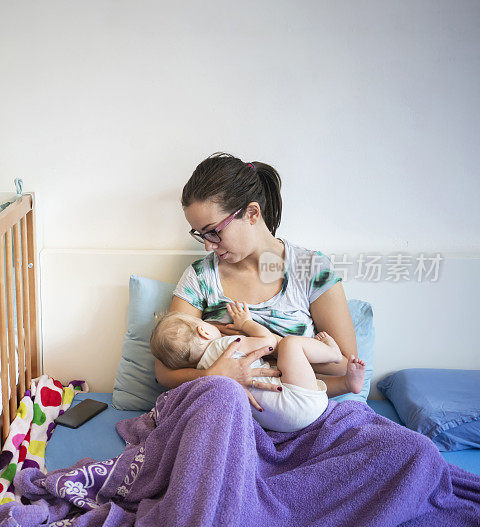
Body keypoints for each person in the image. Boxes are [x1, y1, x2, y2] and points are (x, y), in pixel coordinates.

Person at [155, 152, 366, 411]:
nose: (209, 245)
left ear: (252, 213)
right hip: (226, 411)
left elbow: (345, 365)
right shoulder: (200, 278)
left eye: (214, 231)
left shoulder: (311, 269)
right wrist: (212, 376)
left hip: (299, 411)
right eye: (201, 235)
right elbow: (164, 371)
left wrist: (264, 342)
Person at [150, 302, 366, 431]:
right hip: (299, 405)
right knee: (290, 344)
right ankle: (333, 353)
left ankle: (347, 383)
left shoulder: (201, 380)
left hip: (277, 424)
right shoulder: (226, 346)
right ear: (204, 331)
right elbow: (270, 343)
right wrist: (246, 323)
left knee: (275, 377)